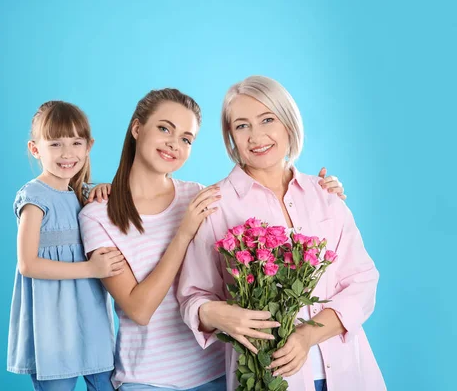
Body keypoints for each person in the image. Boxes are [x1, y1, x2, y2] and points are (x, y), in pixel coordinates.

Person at [79, 88, 346, 390]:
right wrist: (184, 231)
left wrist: (321, 191)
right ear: (137, 128)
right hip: (149, 379)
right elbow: (139, 310)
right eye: (164, 128)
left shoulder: (200, 195)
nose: (173, 143)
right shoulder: (98, 215)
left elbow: (261, 207)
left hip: (220, 373)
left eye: (186, 138)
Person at [177, 76, 386, 391]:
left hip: (349, 372)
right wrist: (219, 314)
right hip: (266, 378)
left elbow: (363, 282)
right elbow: (194, 298)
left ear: (288, 123)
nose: (256, 135)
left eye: (267, 119)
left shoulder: (325, 195)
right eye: (242, 126)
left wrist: (307, 336)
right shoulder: (217, 205)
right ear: (230, 136)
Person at [7, 101, 122, 391]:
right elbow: (28, 263)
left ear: (88, 146)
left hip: (91, 317)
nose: (67, 153)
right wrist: (91, 268)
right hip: (53, 323)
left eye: (76, 142)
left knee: (105, 383)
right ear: (36, 149)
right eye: (55, 144)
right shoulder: (35, 197)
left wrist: (102, 191)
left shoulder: (82, 195)